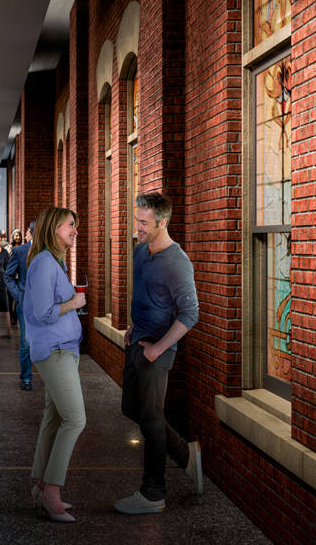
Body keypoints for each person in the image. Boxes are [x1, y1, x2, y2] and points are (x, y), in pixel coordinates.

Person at [114, 192, 202, 515]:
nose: (137, 227)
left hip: (157, 351)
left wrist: (158, 348)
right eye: (136, 220)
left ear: (162, 222)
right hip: (136, 342)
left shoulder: (178, 262)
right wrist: (132, 327)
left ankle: (154, 493)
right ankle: (185, 454)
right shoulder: (140, 252)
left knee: (151, 420)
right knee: (131, 408)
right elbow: (143, 295)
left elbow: (190, 314)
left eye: (143, 222)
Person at [23, 207, 87, 523]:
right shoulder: (45, 264)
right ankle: (52, 489)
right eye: (71, 225)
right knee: (75, 419)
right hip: (54, 349)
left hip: (64, 348)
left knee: (55, 416)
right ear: (54, 228)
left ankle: (39, 481)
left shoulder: (56, 262)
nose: (76, 230)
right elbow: (44, 312)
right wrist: (74, 302)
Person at [4, 219, 36, 391]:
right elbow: (8, 276)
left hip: (47, 305)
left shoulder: (51, 251)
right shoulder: (19, 251)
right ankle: (26, 378)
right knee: (26, 343)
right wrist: (18, 295)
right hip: (25, 303)